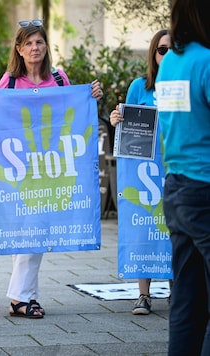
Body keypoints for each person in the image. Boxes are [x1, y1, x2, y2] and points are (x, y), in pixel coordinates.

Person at [0, 19, 103, 319]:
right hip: (19, 168)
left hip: (51, 167)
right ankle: (22, 298)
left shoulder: (58, 78)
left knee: (38, 230)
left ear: (46, 47)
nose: (34, 48)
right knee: (26, 231)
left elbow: (76, 112)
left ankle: (24, 296)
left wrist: (91, 98)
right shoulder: (10, 82)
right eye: (28, 43)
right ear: (18, 48)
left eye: (39, 42)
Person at [154, 0, 210, 354]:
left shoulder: (171, 62)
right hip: (205, 186)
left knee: (188, 299)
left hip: (177, 187)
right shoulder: (206, 61)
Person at [109, 29, 172, 316]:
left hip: (174, 168)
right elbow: (126, 127)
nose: (167, 55)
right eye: (161, 50)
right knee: (144, 227)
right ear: (152, 53)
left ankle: (176, 292)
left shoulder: (183, 86)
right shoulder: (140, 86)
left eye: (173, 49)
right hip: (143, 172)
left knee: (173, 229)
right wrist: (116, 118)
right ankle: (143, 295)